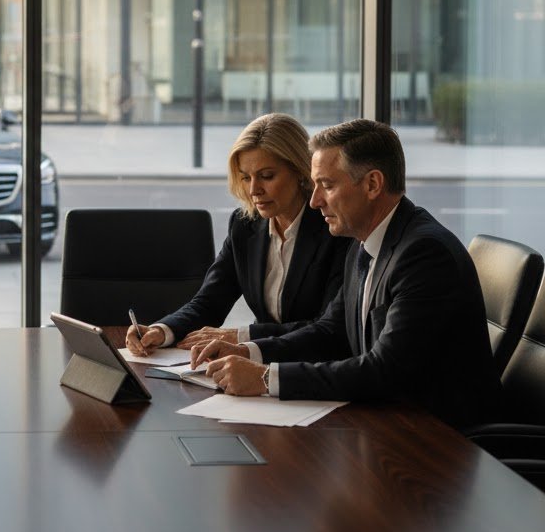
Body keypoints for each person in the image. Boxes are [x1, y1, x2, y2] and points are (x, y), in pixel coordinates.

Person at [198, 118, 502, 428]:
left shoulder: (423, 254)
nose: (315, 201)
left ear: (372, 184)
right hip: (386, 420)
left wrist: (265, 378)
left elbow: (385, 370)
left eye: (327, 185)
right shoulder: (362, 242)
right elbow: (332, 331)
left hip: (440, 440)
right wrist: (250, 351)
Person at [125, 112, 350, 358]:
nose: (254, 190)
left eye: (267, 176)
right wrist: (162, 330)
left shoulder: (335, 228)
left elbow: (327, 328)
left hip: (315, 369)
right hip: (259, 363)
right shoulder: (245, 225)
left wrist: (243, 337)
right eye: (245, 177)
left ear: (300, 171)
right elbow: (210, 301)